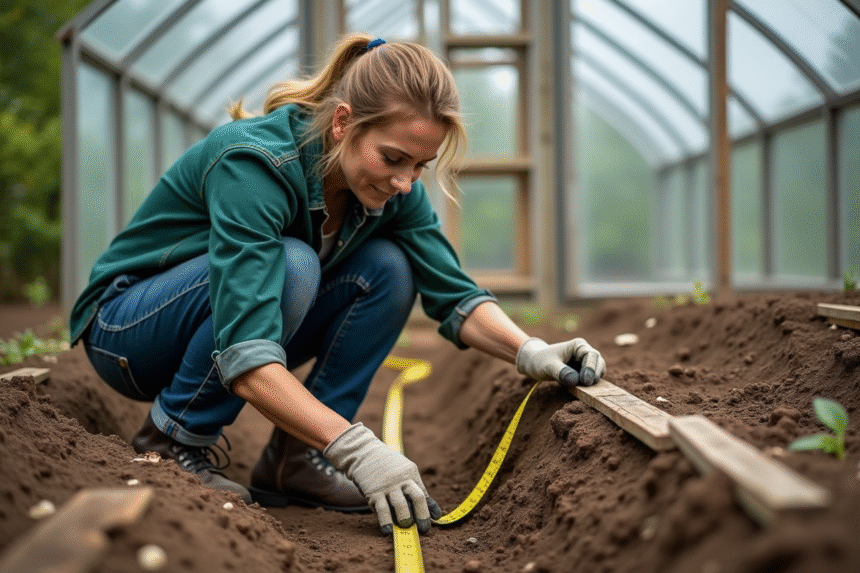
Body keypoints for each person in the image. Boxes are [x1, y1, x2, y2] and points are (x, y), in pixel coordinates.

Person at [69, 34, 606, 536]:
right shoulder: (254, 162)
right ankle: (170, 439)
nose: (405, 181)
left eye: (421, 165)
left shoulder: (395, 189)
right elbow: (244, 347)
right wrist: (357, 449)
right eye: (393, 158)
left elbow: (453, 292)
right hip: (128, 332)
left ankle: (295, 461)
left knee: (391, 270)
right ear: (344, 123)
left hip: (222, 324)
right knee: (295, 264)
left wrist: (531, 350)